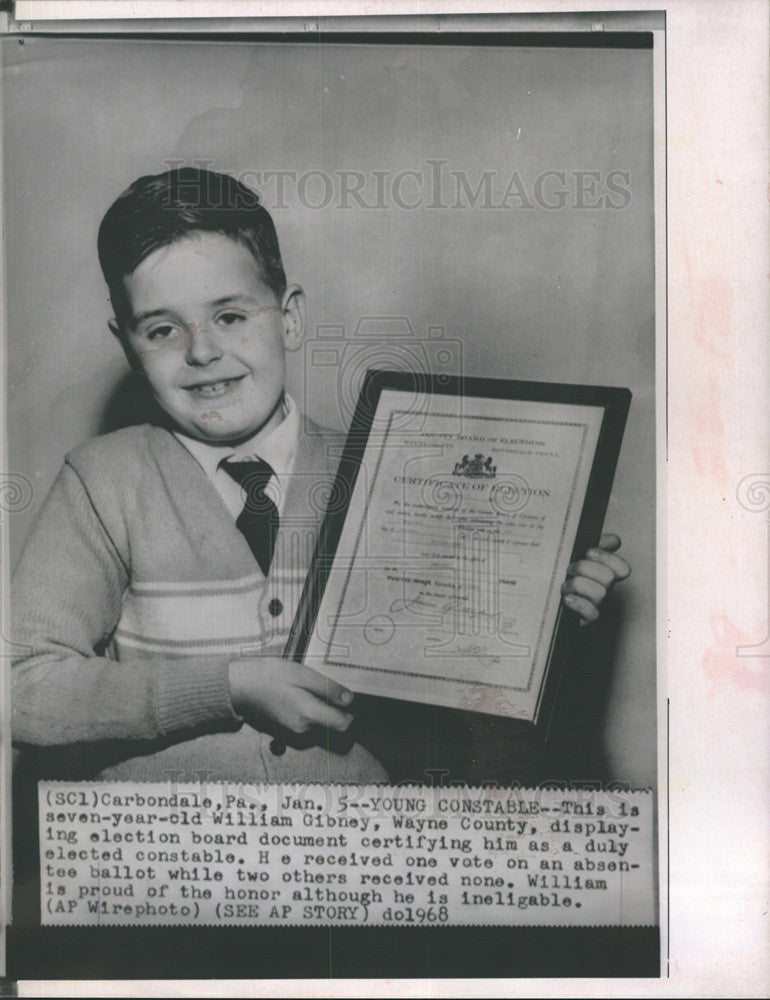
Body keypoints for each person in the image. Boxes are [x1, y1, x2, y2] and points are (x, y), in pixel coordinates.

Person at [10, 167, 630, 785]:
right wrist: (226, 686)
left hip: (354, 862)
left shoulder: (393, 474)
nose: (201, 352)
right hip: (173, 866)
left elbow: (463, 697)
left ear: (290, 318)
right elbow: (20, 686)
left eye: (230, 316)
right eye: (163, 329)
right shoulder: (103, 483)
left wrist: (538, 607)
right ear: (127, 344)